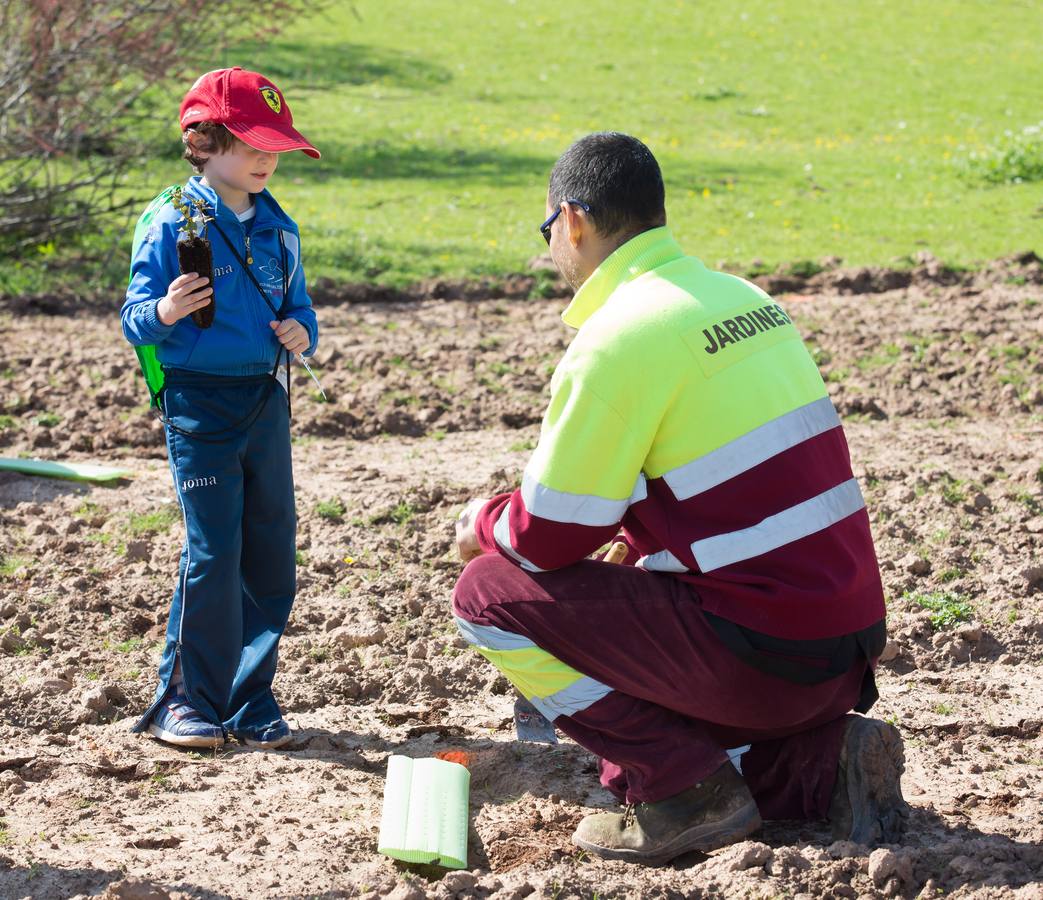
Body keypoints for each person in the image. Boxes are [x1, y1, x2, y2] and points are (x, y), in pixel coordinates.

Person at [452, 132, 909, 865]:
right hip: (838, 660)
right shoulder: (744, 299)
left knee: (485, 593)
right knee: (644, 619)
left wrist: (479, 522)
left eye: (547, 232)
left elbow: (548, 536)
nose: (551, 249)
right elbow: (715, 489)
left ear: (571, 220)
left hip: (758, 663)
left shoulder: (617, 338)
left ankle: (678, 790)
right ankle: (817, 768)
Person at [121, 67, 321, 750]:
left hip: (263, 397)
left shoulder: (279, 229)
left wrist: (303, 333)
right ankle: (187, 700)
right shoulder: (169, 219)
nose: (268, 158)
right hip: (196, 404)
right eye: (252, 144)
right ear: (205, 142)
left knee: (269, 551)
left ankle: (247, 698)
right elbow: (134, 321)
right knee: (214, 550)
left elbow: (299, 309)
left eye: (275, 146)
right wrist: (167, 309)